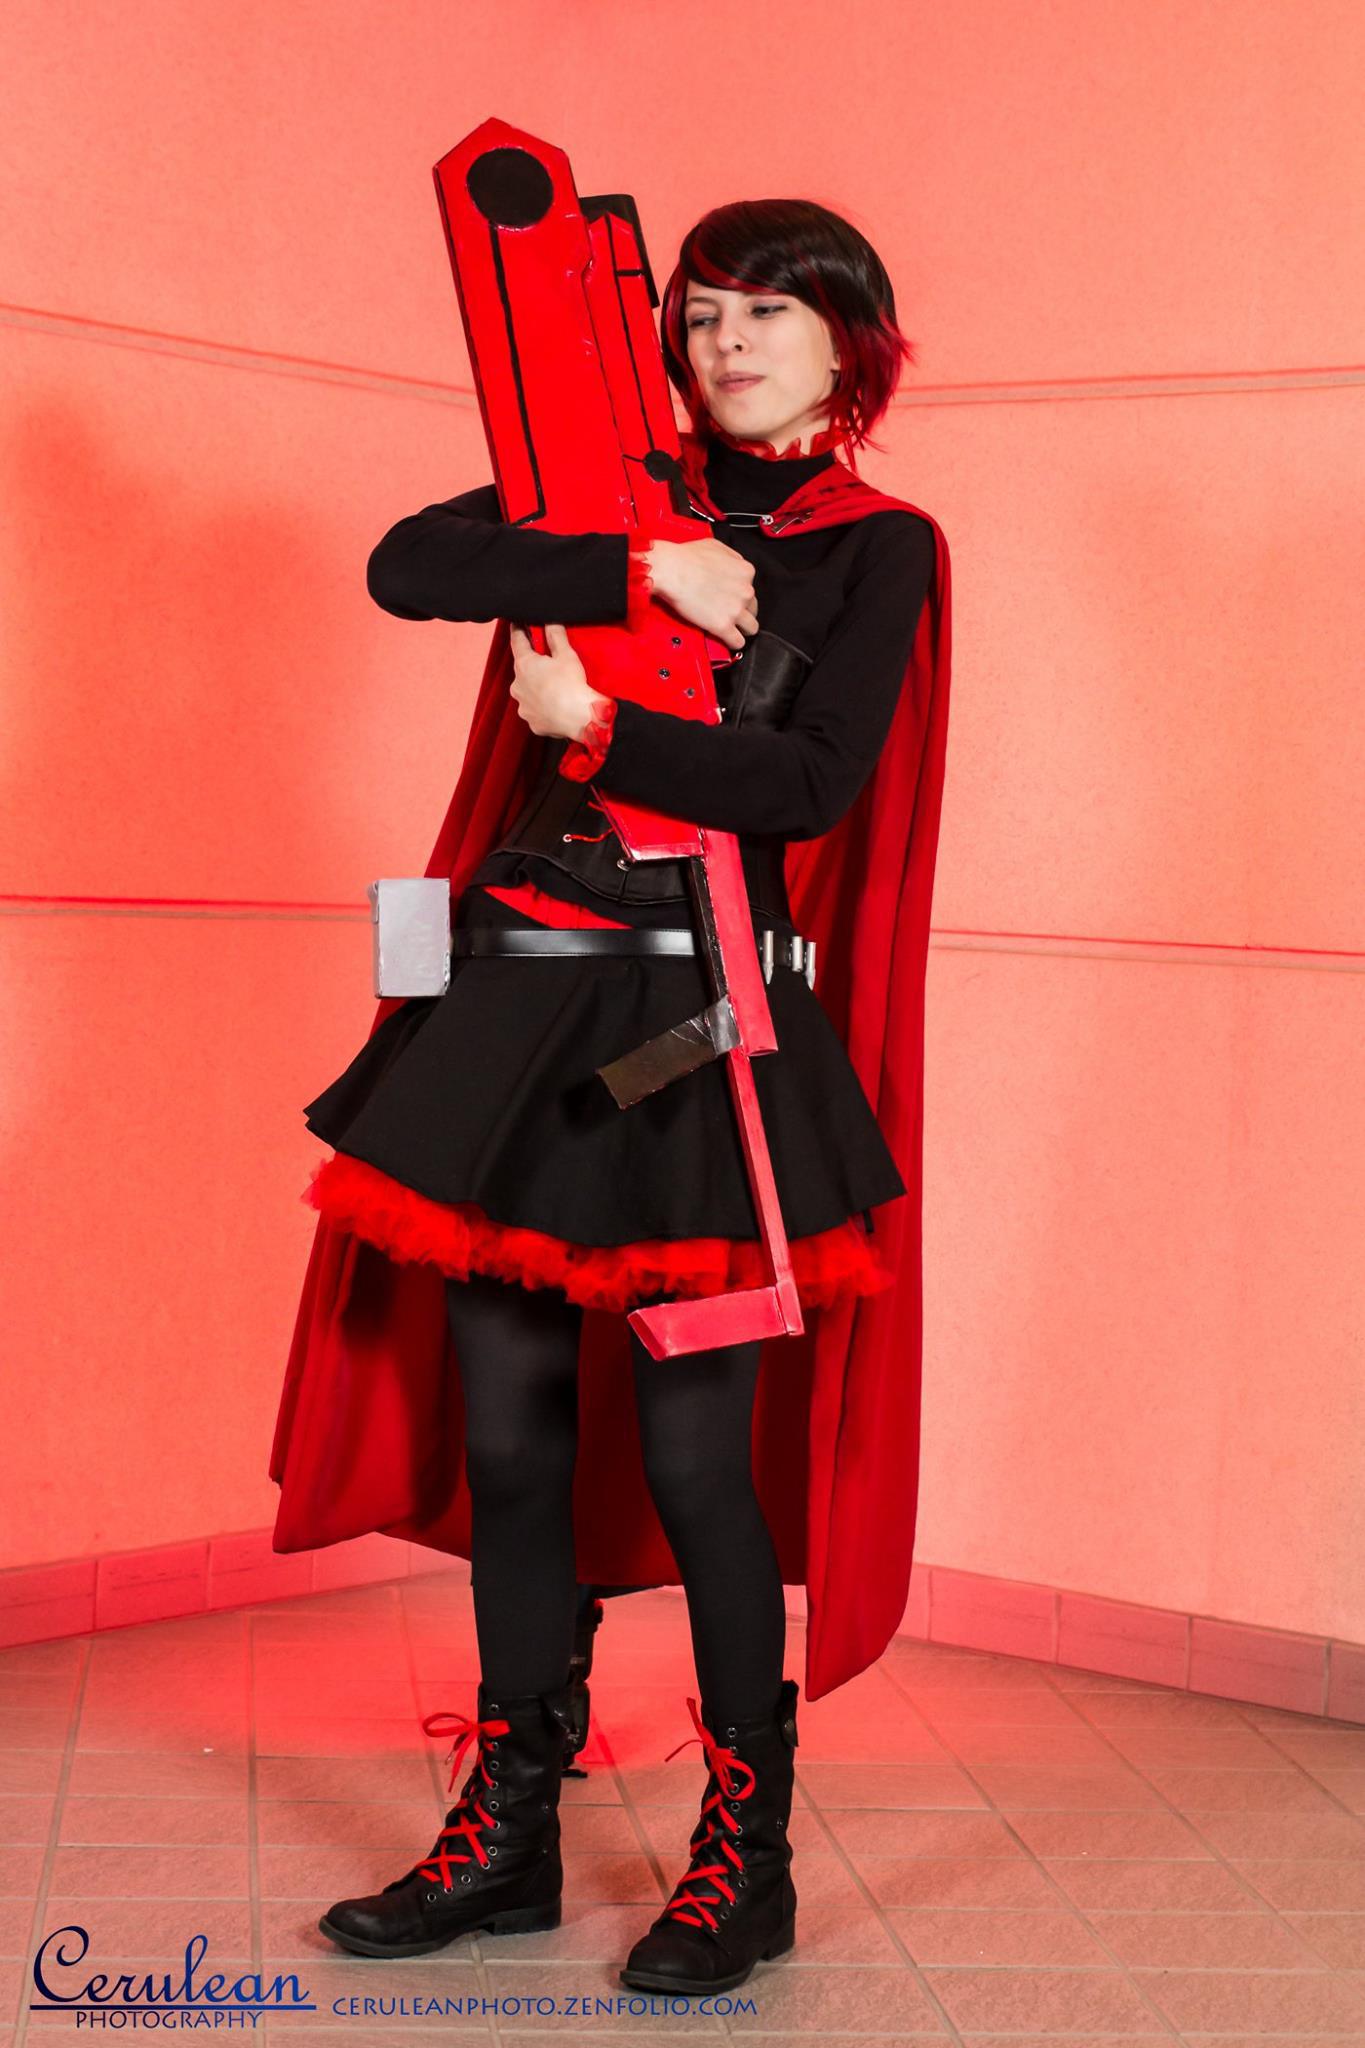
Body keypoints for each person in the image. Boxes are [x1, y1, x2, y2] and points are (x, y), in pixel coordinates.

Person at [288, 197, 942, 1995]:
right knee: (510, 1441)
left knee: (692, 1459)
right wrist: (635, 572)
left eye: (769, 314)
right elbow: (409, 565)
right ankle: (506, 1837)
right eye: (704, 312)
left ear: (847, 342)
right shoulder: (608, 491)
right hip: (512, 1010)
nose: (727, 344)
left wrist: (600, 728)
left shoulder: (877, 546)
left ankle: (746, 1862)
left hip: (696, 1025)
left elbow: (805, 786)